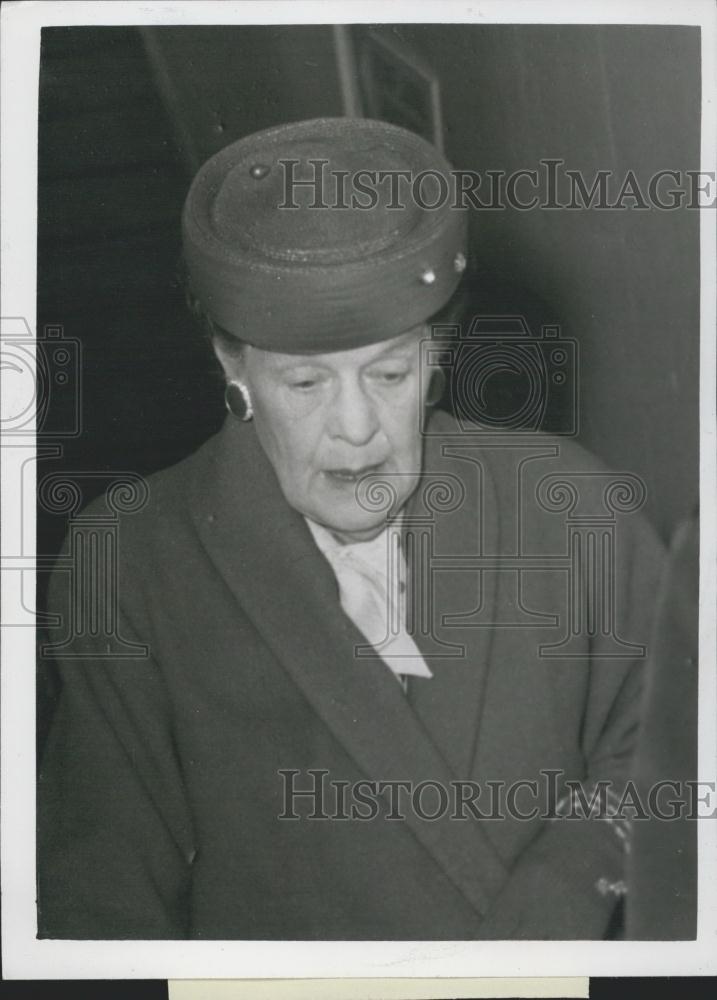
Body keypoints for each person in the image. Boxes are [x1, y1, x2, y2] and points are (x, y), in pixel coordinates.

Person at [37, 117, 666, 940]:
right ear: (233, 367)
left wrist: (560, 891)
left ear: (438, 353)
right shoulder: (128, 560)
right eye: (304, 383)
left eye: (390, 371)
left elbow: (668, 750)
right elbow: (102, 888)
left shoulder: (570, 502)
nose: (356, 428)